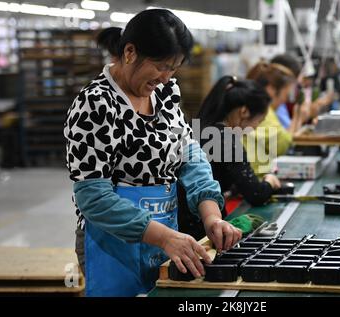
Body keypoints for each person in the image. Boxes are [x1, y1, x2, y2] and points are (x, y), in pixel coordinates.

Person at [64, 9, 241, 297]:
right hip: (114, 245)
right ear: (130, 52)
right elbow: (93, 198)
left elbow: (190, 156)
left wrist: (212, 216)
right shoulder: (95, 104)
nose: (165, 76)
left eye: (174, 68)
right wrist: (165, 238)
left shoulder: (167, 92)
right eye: (160, 65)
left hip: (166, 236)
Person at [178, 76, 281, 239]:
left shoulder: (196, 127)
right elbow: (256, 194)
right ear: (244, 111)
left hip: (182, 223)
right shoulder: (224, 138)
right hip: (202, 230)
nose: (255, 128)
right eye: (258, 121)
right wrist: (270, 181)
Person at [244, 62, 299, 176]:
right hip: (254, 180)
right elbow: (281, 145)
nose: (285, 100)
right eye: (285, 94)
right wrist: (298, 117)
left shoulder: (252, 107)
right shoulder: (264, 112)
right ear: (271, 90)